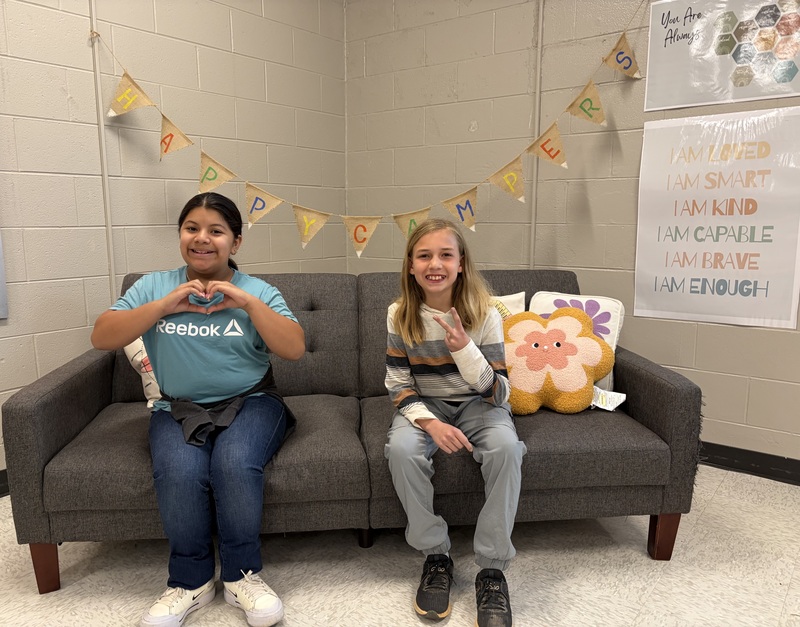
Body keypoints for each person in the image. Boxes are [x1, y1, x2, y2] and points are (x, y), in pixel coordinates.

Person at [91, 192, 304, 627]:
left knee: (234, 461)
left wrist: (248, 305)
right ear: (180, 235)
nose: (202, 238)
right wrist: (163, 306)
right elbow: (102, 336)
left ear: (236, 242)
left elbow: (294, 348)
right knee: (180, 471)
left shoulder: (257, 290)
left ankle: (244, 576)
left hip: (254, 402)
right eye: (192, 228)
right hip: (177, 407)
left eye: (216, 231)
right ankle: (190, 582)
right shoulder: (153, 286)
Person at [384, 218, 526, 627]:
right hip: (426, 405)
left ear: (461, 262)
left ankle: (492, 568)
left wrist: (465, 350)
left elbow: (499, 393)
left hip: (480, 405)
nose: (435, 263)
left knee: (505, 449)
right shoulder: (399, 314)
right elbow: (397, 383)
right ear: (411, 265)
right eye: (424, 255)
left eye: (446, 254)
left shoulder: (484, 313)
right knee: (401, 450)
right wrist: (430, 424)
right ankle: (436, 556)